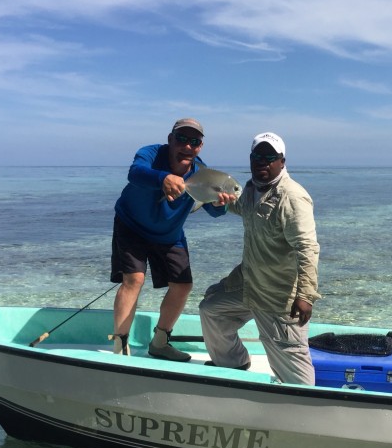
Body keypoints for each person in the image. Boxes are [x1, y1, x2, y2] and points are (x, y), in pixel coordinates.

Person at [199, 132, 320, 385]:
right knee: (211, 309)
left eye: (270, 157)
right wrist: (216, 198)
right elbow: (236, 206)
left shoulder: (292, 197)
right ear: (250, 159)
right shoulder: (252, 189)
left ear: (282, 161)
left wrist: (305, 296)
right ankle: (234, 364)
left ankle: (303, 410)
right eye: (257, 156)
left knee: (296, 376)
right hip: (248, 284)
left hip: (278, 295)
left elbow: (308, 249)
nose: (262, 162)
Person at [110, 118, 235, 359]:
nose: (188, 146)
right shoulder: (150, 153)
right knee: (134, 279)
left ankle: (160, 342)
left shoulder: (203, 173)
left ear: (200, 146)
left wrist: (221, 205)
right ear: (170, 139)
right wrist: (162, 179)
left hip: (169, 234)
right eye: (182, 139)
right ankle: (120, 347)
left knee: (183, 285)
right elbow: (135, 174)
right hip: (131, 225)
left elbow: (213, 211)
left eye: (194, 141)